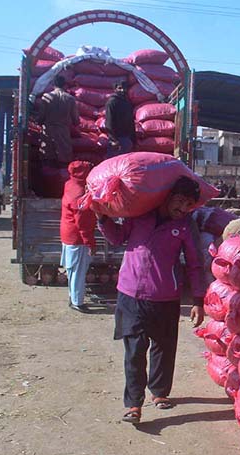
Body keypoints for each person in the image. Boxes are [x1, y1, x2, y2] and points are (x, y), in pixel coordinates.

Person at [98, 177, 206, 424]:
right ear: (167, 197)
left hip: (166, 296)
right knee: (134, 350)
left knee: (163, 348)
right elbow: (117, 237)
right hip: (130, 293)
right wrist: (102, 218)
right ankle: (134, 404)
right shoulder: (140, 215)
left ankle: (159, 392)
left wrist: (198, 300)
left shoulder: (186, 226)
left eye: (189, 204)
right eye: (179, 201)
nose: (182, 208)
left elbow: (195, 263)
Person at [60, 161, 96, 313]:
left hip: (67, 234)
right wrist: (90, 243)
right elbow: (83, 223)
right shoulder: (80, 194)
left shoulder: (69, 184)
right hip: (77, 238)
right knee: (79, 271)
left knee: (72, 269)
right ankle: (77, 302)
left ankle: (72, 297)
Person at [37, 75, 79, 166]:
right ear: (64, 85)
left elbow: (41, 117)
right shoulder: (70, 99)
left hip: (48, 132)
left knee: (47, 160)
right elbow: (76, 120)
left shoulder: (46, 97)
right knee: (64, 160)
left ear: (53, 85)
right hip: (63, 132)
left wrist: (38, 123)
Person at [104, 81, 136, 159]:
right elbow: (109, 122)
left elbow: (131, 121)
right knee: (113, 163)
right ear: (115, 89)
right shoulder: (112, 102)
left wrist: (133, 138)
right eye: (119, 88)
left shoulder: (127, 102)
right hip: (117, 139)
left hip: (127, 138)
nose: (122, 90)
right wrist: (113, 139)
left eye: (124, 88)